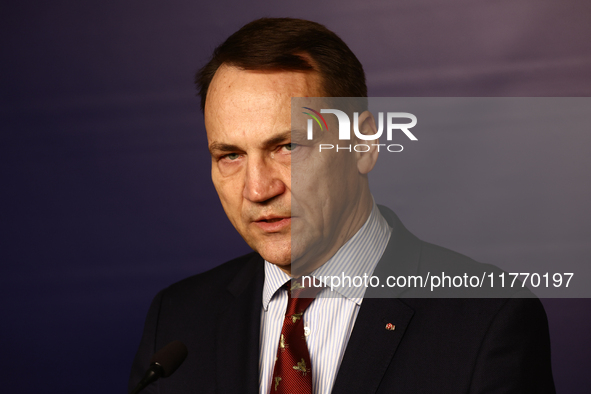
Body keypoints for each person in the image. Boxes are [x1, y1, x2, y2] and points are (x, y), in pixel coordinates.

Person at [129, 18, 555, 393]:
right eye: (230, 156)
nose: (258, 190)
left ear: (364, 145)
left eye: (288, 146)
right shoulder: (178, 319)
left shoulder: (488, 318)